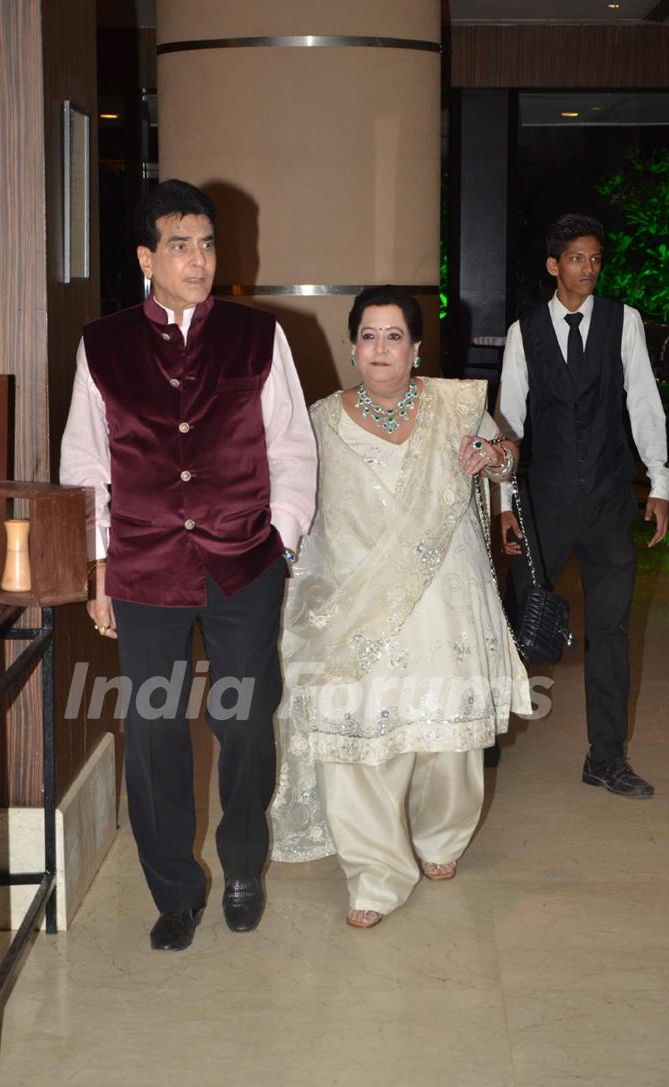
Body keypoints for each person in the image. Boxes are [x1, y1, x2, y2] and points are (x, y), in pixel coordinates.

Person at [60, 179, 316, 950]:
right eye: (180, 245)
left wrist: (283, 540)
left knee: (242, 720)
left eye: (207, 244)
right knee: (154, 729)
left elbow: (292, 447)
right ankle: (173, 888)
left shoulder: (258, 334)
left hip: (244, 560)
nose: (199, 259)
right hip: (143, 564)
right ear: (147, 257)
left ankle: (242, 864)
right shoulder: (102, 344)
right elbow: (84, 463)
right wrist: (98, 567)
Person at [270, 285, 531, 928]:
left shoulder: (458, 402)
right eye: (368, 335)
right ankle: (375, 872)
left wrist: (492, 456)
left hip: (445, 596)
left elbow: (508, 461)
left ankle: (441, 837)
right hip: (355, 603)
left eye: (394, 336)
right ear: (351, 345)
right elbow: (298, 501)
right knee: (356, 732)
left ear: (416, 347)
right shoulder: (321, 419)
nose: (380, 348)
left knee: (446, 733)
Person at [496, 213, 669, 798]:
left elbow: (644, 402)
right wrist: (504, 504)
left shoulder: (625, 323)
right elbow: (508, 424)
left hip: (607, 501)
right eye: (577, 258)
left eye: (595, 259)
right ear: (554, 266)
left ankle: (605, 756)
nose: (588, 269)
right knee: (519, 625)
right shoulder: (525, 332)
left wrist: (662, 483)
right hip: (543, 506)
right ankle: (485, 734)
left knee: (612, 632)